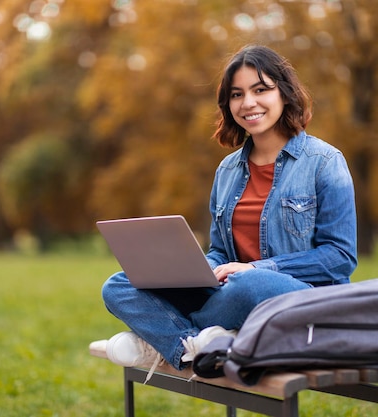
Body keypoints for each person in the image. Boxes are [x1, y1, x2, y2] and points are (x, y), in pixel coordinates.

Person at [91, 44, 357, 381]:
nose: (248, 103)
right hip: (230, 294)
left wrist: (256, 267)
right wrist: (197, 269)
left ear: (285, 94)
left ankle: (162, 341)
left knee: (251, 284)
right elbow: (220, 250)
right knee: (119, 285)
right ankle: (199, 345)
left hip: (298, 300)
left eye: (261, 90)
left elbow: (340, 257)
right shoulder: (228, 170)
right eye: (237, 94)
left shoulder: (325, 163)